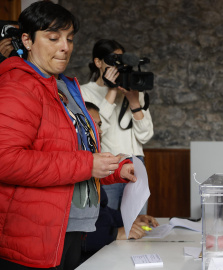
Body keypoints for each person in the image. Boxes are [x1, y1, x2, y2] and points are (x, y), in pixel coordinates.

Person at [0, 2, 136, 269]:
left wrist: (112, 170)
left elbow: (69, 155)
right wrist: (88, 164)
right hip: (35, 235)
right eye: (53, 38)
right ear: (27, 40)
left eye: (70, 38)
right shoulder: (19, 86)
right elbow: (6, 160)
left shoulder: (62, 87)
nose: (65, 46)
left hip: (71, 228)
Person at [81, 39, 154, 215]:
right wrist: (112, 91)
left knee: (136, 221)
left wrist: (134, 101)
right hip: (108, 164)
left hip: (136, 162)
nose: (118, 65)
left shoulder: (133, 90)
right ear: (98, 62)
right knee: (108, 222)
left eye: (121, 60)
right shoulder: (84, 92)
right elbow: (93, 133)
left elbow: (145, 135)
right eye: (113, 61)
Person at [81, 102, 159, 263]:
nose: (100, 130)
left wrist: (129, 220)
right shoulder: (75, 168)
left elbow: (101, 211)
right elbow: (77, 229)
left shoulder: (90, 166)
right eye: (94, 124)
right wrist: (115, 234)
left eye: (100, 124)